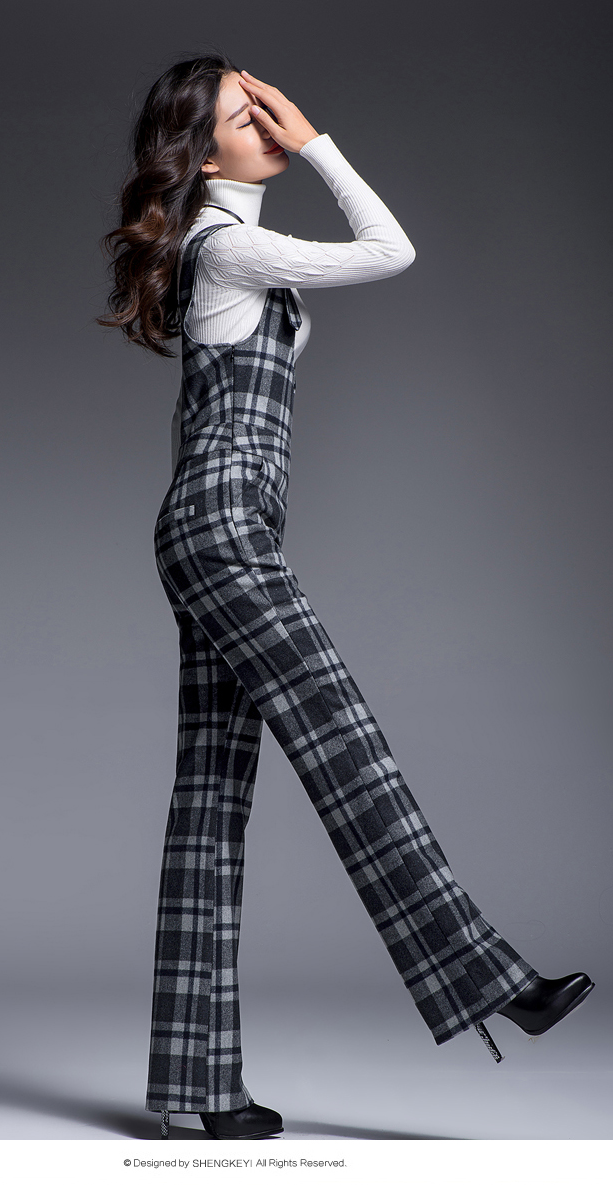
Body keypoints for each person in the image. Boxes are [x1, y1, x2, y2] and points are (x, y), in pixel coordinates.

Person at [98, 53, 594, 1141]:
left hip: (208, 529)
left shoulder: (223, 252)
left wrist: (281, 133)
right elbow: (390, 248)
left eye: (270, 107)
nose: (271, 123)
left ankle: (195, 1086)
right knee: (346, 742)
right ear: (203, 152)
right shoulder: (226, 244)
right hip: (223, 531)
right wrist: (319, 141)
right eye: (248, 115)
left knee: (211, 803)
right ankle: (485, 973)